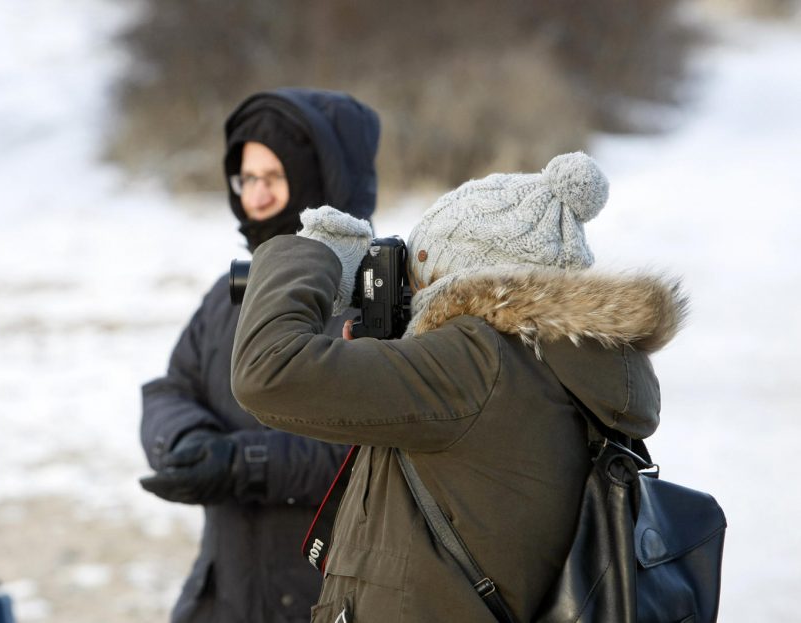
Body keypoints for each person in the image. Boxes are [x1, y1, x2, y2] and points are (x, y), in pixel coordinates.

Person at [231, 152, 689, 622]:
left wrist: (319, 254)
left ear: (455, 284)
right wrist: (391, 349)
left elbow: (268, 371)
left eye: (415, 276)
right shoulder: (557, 367)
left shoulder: (477, 365)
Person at [139, 88, 380, 622]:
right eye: (247, 179)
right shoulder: (229, 294)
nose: (257, 197)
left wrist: (240, 464)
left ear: (318, 180)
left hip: (327, 599)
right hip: (223, 594)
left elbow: (367, 451)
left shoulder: (375, 300)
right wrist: (184, 443)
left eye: (273, 177)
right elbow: (172, 387)